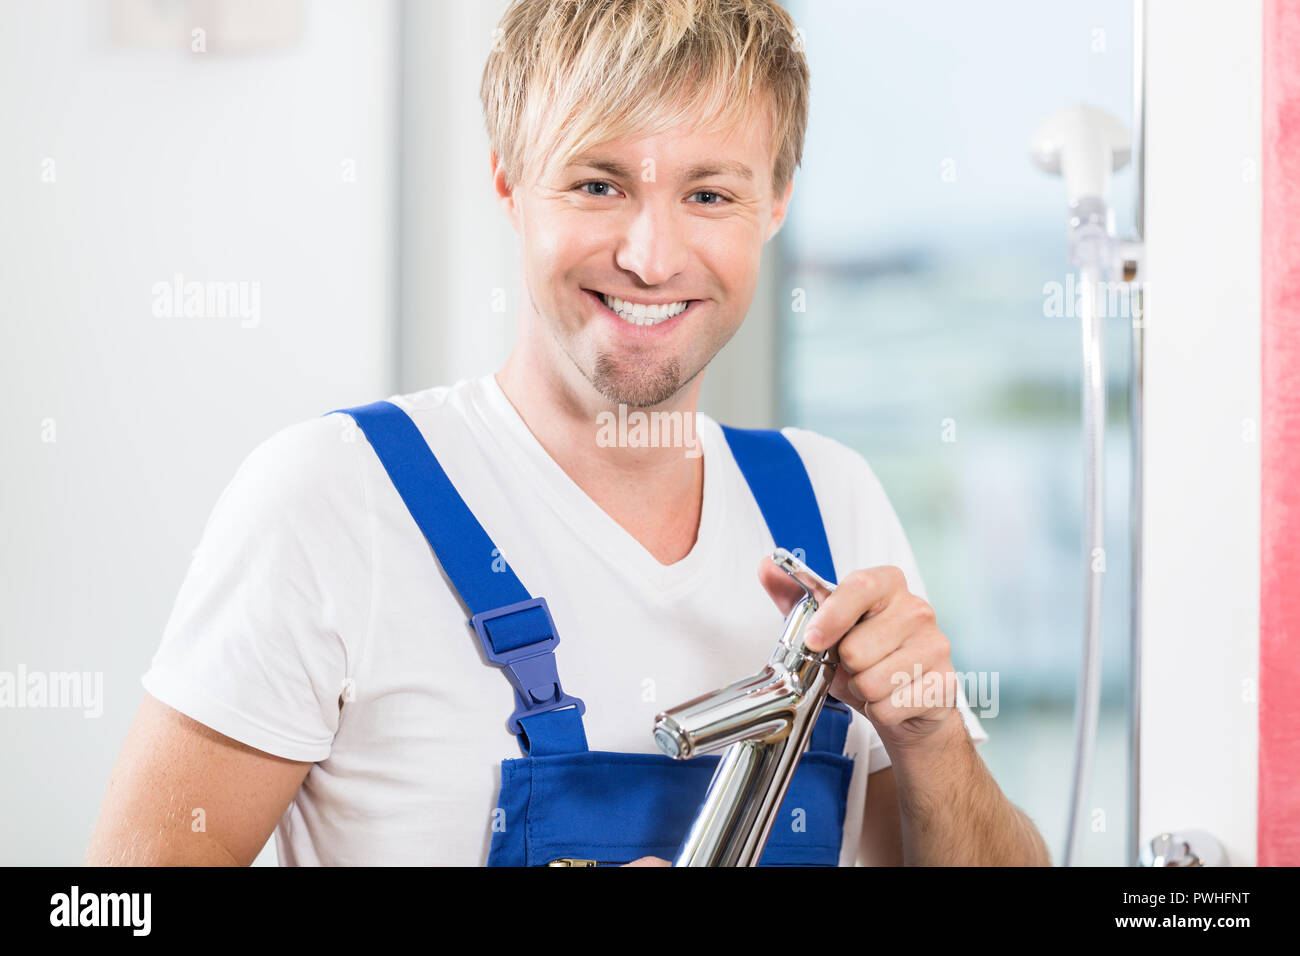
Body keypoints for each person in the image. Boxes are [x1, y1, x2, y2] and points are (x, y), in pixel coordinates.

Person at [85, 0, 1050, 867]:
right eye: (598, 185)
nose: (650, 254)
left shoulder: (830, 502)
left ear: (776, 203)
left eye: (709, 194)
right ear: (508, 184)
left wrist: (935, 741)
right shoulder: (332, 499)